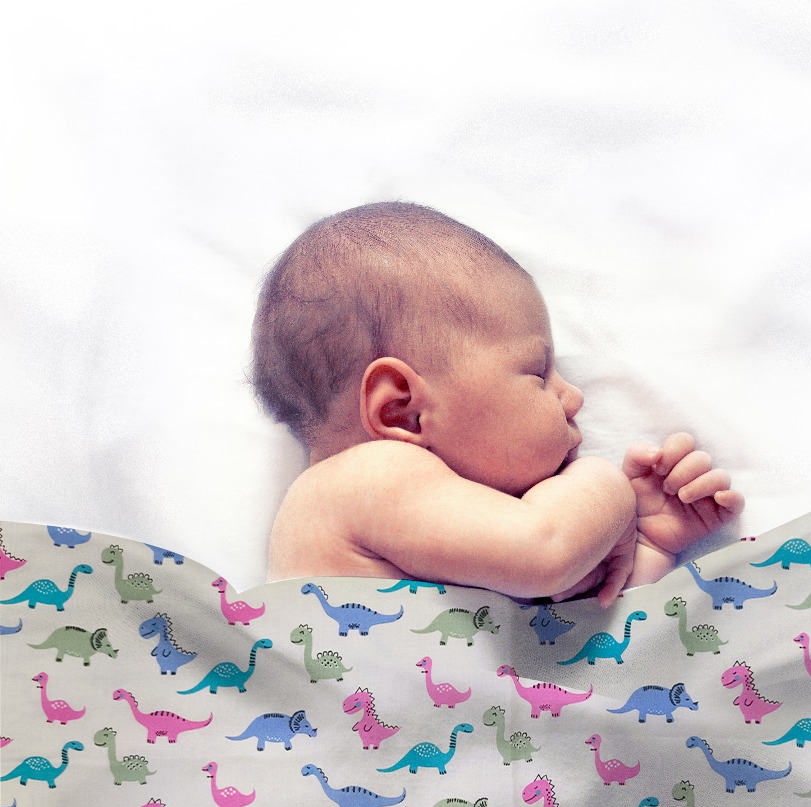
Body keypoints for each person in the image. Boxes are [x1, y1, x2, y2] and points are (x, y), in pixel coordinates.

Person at [256, 202, 743, 605]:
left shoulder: (464, 531)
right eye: (537, 373)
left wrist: (647, 545)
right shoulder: (362, 480)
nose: (572, 397)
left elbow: (563, 662)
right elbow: (546, 552)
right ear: (401, 411)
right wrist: (607, 488)